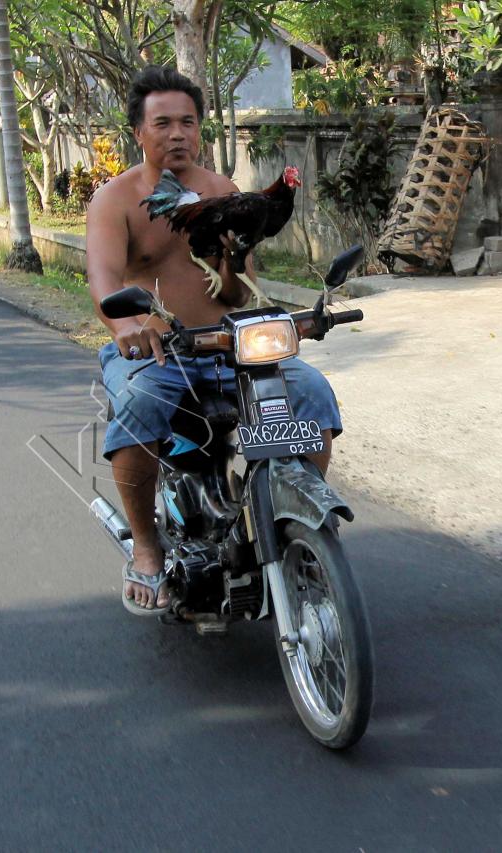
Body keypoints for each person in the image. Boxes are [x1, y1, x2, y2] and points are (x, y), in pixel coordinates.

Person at [85, 66, 343, 613]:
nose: (177, 133)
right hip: (157, 351)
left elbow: (236, 295)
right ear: (139, 132)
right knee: (134, 404)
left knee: (312, 392)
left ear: (199, 129)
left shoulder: (224, 191)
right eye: (163, 123)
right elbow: (104, 279)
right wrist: (126, 326)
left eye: (187, 122)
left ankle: (297, 526)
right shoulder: (114, 200)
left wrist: (229, 263)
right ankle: (148, 550)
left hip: (229, 346)